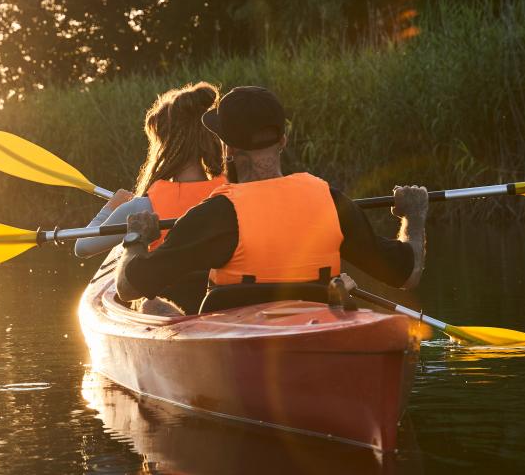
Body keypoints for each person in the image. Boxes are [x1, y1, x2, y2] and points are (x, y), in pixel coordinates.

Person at [115, 86, 429, 313]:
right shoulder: (329, 201)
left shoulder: (217, 214)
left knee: (153, 307)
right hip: (318, 331)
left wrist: (136, 239)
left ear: (228, 148)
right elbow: (408, 275)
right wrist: (413, 217)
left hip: (239, 347)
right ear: (283, 140)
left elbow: (128, 287)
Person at [74, 82, 226, 311]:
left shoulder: (141, 207)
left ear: (164, 144)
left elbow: (82, 247)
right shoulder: (233, 192)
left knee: (148, 304)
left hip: (170, 308)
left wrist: (110, 207)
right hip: (222, 303)